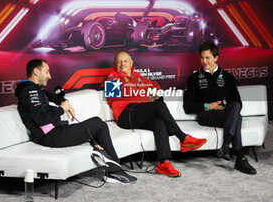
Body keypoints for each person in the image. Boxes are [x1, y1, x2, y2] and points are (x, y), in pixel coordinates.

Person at [15, 59, 137, 184]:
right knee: (99, 125)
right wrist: (62, 109)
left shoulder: (35, 90)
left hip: (55, 132)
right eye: (47, 72)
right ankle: (115, 172)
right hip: (50, 136)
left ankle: (104, 156)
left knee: (96, 121)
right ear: (36, 71)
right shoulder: (29, 92)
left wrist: (64, 102)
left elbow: (51, 96)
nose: (49, 76)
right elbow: (41, 119)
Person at [105, 51, 207, 177]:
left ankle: (163, 163)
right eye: (119, 61)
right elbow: (114, 96)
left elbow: (153, 85)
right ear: (115, 64)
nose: (122, 64)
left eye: (125, 61)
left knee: (159, 123)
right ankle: (183, 138)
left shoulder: (137, 76)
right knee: (159, 106)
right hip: (125, 115)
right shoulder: (112, 76)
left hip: (138, 112)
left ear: (131, 63)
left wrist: (156, 91)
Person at [183, 41, 257, 175]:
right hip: (206, 115)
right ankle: (239, 157)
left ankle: (227, 147)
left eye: (208, 57)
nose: (204, 61)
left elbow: (237, 101)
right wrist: (208, 106)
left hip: (225, 114)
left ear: (216, 58)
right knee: (237, 118)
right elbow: (187, 107)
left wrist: (225, 107)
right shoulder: (193, 79)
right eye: (202, 57)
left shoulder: (228, 77)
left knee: (235, 108)